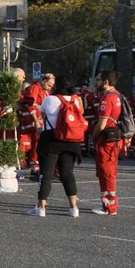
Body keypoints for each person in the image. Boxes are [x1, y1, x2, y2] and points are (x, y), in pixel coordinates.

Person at [30, 73, 85, 217]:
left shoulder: (50, 99)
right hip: (71, 141)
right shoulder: (77, 100)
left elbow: (41, 111)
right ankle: (74, 208)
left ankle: (41, 207)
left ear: (56, 86)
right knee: (67, 174)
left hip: (51, 140)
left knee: (46, 174)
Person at [90, 70, 126, 215]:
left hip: (107, 139)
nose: (96, 82)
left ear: (106, 82)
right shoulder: (118, 95)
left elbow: (102, 122)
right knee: (108, 171)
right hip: (114, 138)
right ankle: (107, 203)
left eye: (98, 80)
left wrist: (93, 136)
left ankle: (110, 206)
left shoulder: (108, 98)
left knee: (106, 171)